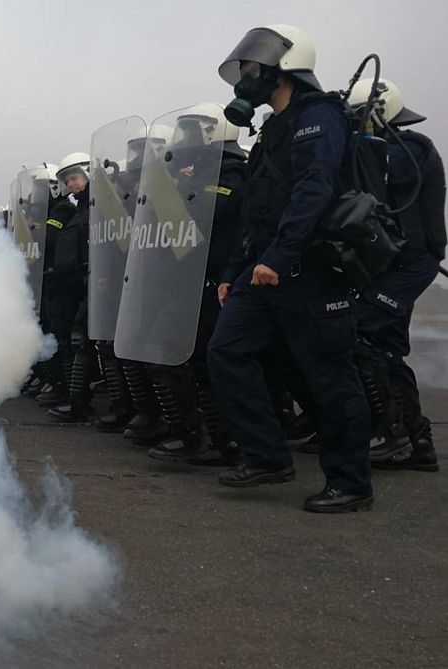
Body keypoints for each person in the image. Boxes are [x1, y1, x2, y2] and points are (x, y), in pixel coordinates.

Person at [208, 24, 373, 512]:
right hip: (263, 269)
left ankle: (351, 483)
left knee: (329, 377)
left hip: (312, 267)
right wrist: (233, 272)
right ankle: (267, 456)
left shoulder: (319, 116)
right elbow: (256, 211)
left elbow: (313, 191)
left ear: (285, 67)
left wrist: (279, 257)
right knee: (226, 350)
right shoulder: (272, 130)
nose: (246, 78)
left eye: (253, 67)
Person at [348, 78, 446, 472]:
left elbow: (386, 178)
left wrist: (361, 142)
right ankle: (416, 442)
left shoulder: (410, 149)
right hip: (393, 265)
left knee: (361, 330)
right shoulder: (382, 149)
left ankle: (394, 432)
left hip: (410, 264)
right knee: (386, 346)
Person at [145, 105, 247, 466]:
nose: (183, 140)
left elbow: (209, 210)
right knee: (193, 362)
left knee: (177, 355)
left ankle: (201, 438)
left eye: (190, 131)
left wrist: (183, 185)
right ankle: (215, 440)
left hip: (214, 284)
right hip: (190, 282)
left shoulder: (232, 172)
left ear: (213, 132)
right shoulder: (202, 172)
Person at [46, 153, 95, 420]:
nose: (71, 184)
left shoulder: (86, 207)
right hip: (80, 282)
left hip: (93, 282)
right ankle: (75, 399)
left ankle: (79, 402)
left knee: (81, 339)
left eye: (75, 178)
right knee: (76, 338)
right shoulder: (80, 208)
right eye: (68, 181)